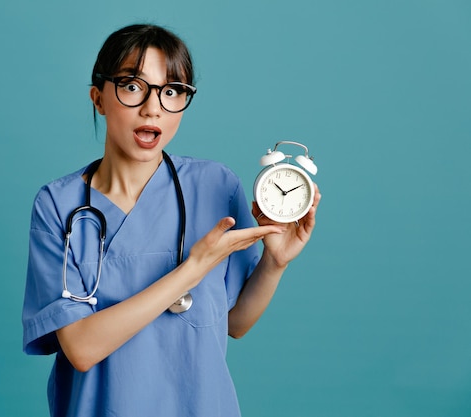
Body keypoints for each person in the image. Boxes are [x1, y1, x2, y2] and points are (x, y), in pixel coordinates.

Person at [22, 23, 321, 417]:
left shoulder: (214, 186)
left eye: (172, 91)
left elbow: (235, 322)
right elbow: (81, 348)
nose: (153, 108)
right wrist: (194, 267)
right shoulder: (59, 205)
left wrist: (274, 263)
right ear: (98, 98)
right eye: (132, 86)